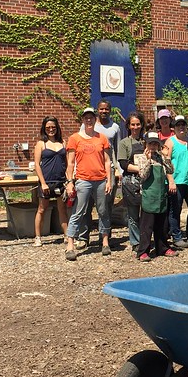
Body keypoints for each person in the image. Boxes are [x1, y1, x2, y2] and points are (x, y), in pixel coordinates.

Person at [64, 107, 112, 261]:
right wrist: (70, 182)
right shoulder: (74, 138)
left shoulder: (102, 138)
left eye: (91, 117)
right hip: (83, 180)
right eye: (86, 118)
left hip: (100, 180)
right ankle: (70, 243)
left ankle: (105, 241)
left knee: (103, 211)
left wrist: (109, 180)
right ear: (82, 120)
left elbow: (107, 161)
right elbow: (70, 163)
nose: (89, 120)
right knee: (79, 212)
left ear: (95, 119)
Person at [76, 99, 120, 249]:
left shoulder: (115, 127)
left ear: (110, 110)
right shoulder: (86, 125)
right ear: (97, 111)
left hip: (108, 170)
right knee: (86, 205)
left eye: (106, 109)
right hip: (88, 170)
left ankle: (104, 237)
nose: (104, 111)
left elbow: (117, 150)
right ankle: (83, 237)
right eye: (101, 109)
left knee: (105, 206)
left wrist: (117, 170)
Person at [135, 132, 177, 262]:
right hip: (149, 196)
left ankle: (163, 248)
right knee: (146, 226)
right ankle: (143, 251)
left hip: (161, 195)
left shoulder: (161, 158)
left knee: (162, 225)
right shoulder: (141, 158)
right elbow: (143, 175)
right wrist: (148, 160)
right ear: (146, 144)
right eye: (150, 143)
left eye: (155, 143)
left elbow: (170, 170)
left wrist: (166, 157)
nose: (153, 146)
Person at [163, 115, 188, 249]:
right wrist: (170, 179)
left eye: (183, 124)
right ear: (174, 127)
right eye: (178, 125)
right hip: (176, 181)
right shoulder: (170, 141)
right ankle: (176, 235)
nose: (181, 127)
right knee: (175, 209)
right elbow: (166, 161)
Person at [33, 116, 67, 246]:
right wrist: (43, 183)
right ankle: (37, 237)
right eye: (48, 128)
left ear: (57, 128)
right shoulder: (41, 144)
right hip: (46, 181)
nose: (51, 130)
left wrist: (68, 180)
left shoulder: (63, 143)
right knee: (42, 208)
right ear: (44, 129)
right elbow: (37, 165)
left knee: (62, 209)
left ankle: (66, 235)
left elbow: (67, 162)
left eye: (53, 127)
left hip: (60, 181)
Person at [118, 111, 146, 255]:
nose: (135, 127)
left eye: (138, 124)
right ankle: (135, 242)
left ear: (142, 125)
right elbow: (123, 163)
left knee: (147, 213)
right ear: (128, 126)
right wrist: (139, 169)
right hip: (130, 181)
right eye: (132, 124)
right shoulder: (124, 143)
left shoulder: (146, 141)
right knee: (133, 214)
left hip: (147, 181)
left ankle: (145, 239)